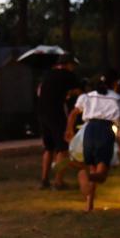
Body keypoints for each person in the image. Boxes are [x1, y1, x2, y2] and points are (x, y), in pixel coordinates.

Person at [64, 69, 120, 212]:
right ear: (115, 83)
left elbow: (73, 114)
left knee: (93, 168)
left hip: (89, 130)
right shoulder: (118, 99)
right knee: (101, 175)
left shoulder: (87, 96)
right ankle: (84, 174)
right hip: (105, 131)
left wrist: (69, 130)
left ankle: (89, 205)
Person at [37, 53, 80, 189]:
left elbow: (40, 91)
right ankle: (58, 182)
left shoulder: (47, 74)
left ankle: (44, 180)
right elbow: (79, 92)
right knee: (62, 148)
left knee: (48, 147)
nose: (73, 68)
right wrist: (72, 94)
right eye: (73, 65)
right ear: (68, 64)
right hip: (56, 113)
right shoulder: (68, 75)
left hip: (42, 113)